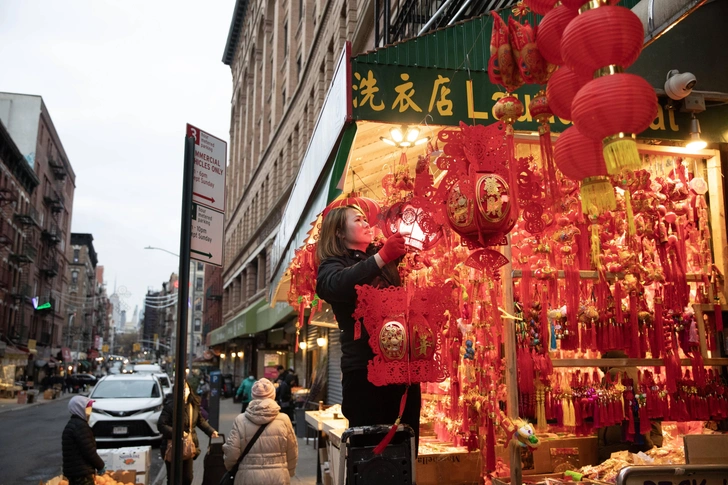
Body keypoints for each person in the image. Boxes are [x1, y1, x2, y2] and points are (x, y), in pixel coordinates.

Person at [315, 205, 421, 448]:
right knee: (371, 451)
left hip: (402, 367)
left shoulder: (380, 256)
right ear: (339, 232)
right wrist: (383, 257)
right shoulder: (332, 265)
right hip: (365, 371)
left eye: (366, 219)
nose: (366, 223)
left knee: (406, 445)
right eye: (358, 219)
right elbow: (335, 285)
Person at [223, 378, 298, 484]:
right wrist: (289, 471)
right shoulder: (284, 419)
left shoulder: (240, 420)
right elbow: (292, 449)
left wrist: (231, 468)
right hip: (278, 477)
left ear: (253, 396)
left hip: (247, 477)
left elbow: (231, 453)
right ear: (273, 395)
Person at [597, 350, 664, 461]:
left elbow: (608, 407)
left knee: (615, 474)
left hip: (618, 442)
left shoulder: (613, 374)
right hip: (641, 441)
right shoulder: (640, 375)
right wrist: (655, 441)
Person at [157, 379, 219, 485]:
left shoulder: (193, 405)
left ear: (189, 389)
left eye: (185, 388)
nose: (184, 391)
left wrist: (211, 431)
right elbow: (161, 425)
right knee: (173, 478)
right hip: (172, 446)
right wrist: (176, 433)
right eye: (181, 389)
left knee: (187, 478)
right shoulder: (170, 405)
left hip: (188, 445)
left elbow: (200, 421)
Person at [62, 395, 106, 485]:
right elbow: (89, 451)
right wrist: (100, 465)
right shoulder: (80, 426)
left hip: (75, 472)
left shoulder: (73, 424)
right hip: (82, 474)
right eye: (87, 409)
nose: (89, 412)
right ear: (79, 408)